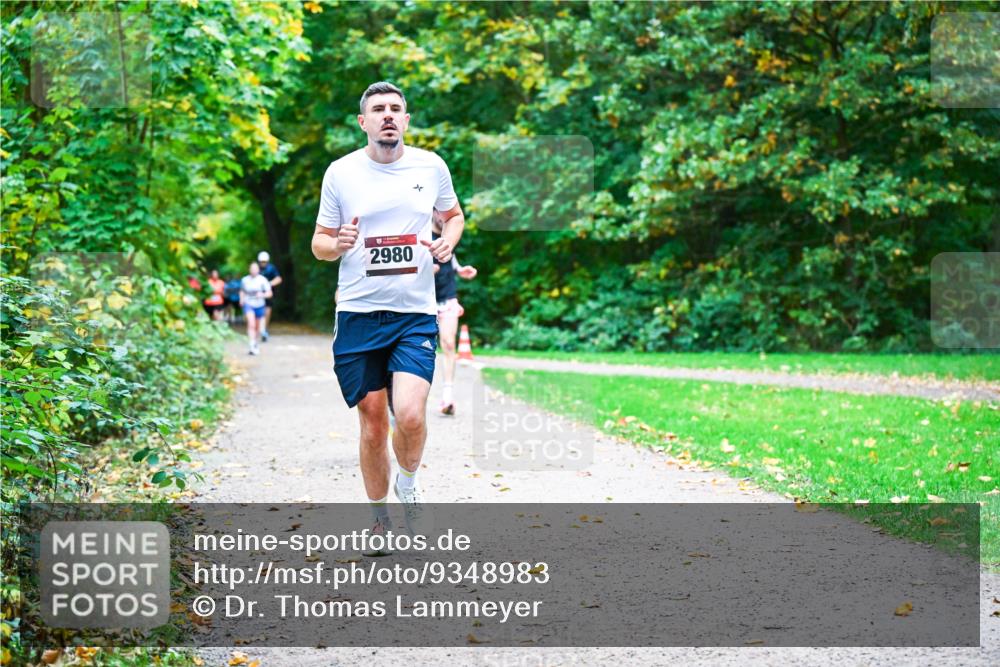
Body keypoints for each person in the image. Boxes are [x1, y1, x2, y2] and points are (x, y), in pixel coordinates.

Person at [311, 81, 464, 550]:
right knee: (374, 422)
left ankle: (410, 484)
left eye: (396, 109)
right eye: (378, 109)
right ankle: (379, 519)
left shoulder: (430, 165)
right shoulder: (341, 173)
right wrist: (335, 245)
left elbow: (453, 215)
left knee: (412, 415)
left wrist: (447, 242)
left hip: (413, 313)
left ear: (406, 120)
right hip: (358, 312)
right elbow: (319, 244)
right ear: (364, 122)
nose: (388, 116)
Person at [431, 210, 477, 415]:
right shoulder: (420, 235)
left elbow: (451, 260)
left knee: (449, 343)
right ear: (432, 213)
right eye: (440, 214)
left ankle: (447, 397)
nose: (444, 218)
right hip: (424, 301)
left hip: (448, 298)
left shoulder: (448, 238)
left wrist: (460, 269)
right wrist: (424, 269)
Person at [239, 261, 272, 356]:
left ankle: (255, 343)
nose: (253, 270)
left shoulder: (263, 280)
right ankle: (251, 344)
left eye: (255, 269)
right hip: (249, 304)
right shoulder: (245, 280)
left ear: (258, 270)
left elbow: (269, 293)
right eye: (252, 269)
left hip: (260, 305)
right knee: (251, 324)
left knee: (257, 327)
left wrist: (262, 294)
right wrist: (241, 299)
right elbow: (242, 291)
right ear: (249, 270)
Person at [256, 251, 282, 341]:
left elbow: (278, 279)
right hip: (257, 295)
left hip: (268, 294)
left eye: (264, 261)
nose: (263, 263)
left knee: (267, 312)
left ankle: (264, 330)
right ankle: (258, 329)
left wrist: (269, 284)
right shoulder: (256, 269)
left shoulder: (271, 268)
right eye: (261, 261)